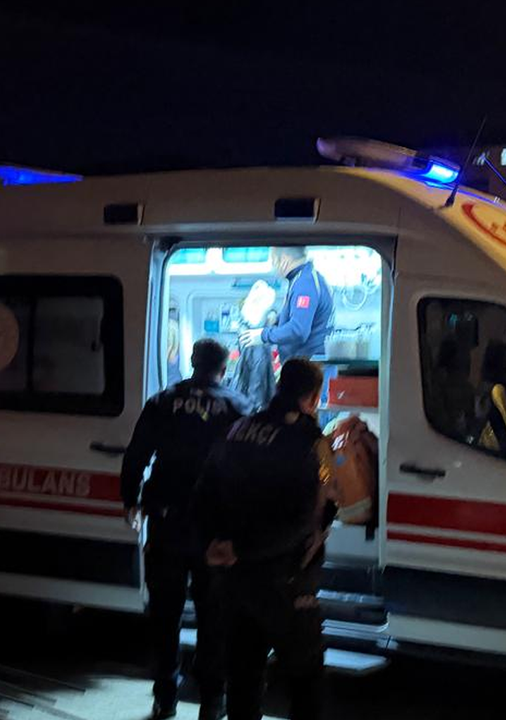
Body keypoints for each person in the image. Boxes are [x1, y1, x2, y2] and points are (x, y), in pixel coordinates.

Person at [196, 359, 336, 720]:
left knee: (243, 677)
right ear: (313, 397)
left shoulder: (238, 428)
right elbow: (310, 516)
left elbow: (204, 492)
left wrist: (216, 544)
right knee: (306, 680)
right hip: (286, 581)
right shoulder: (311, 442)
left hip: (234, 579)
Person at [121, 339, 251, 720]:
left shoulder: (163, 401)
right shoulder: (239, 406)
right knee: (214, 618)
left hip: (167, 523)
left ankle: (165, 697)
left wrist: (130, 499)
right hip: (215, 529)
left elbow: (136, 454)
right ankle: (212, 702)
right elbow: (248, 469)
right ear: (224, 368)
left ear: (193, 362)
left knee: (165, 615)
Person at [240, 247, 335, 360]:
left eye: (274, 261)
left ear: (284, 260)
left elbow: (298, 330)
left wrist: (263, 335)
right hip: (303, 362)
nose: (274, 267)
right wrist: (276, 320)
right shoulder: (303, 278)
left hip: (308, 364)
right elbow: (299, 316)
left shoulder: (305, 284)